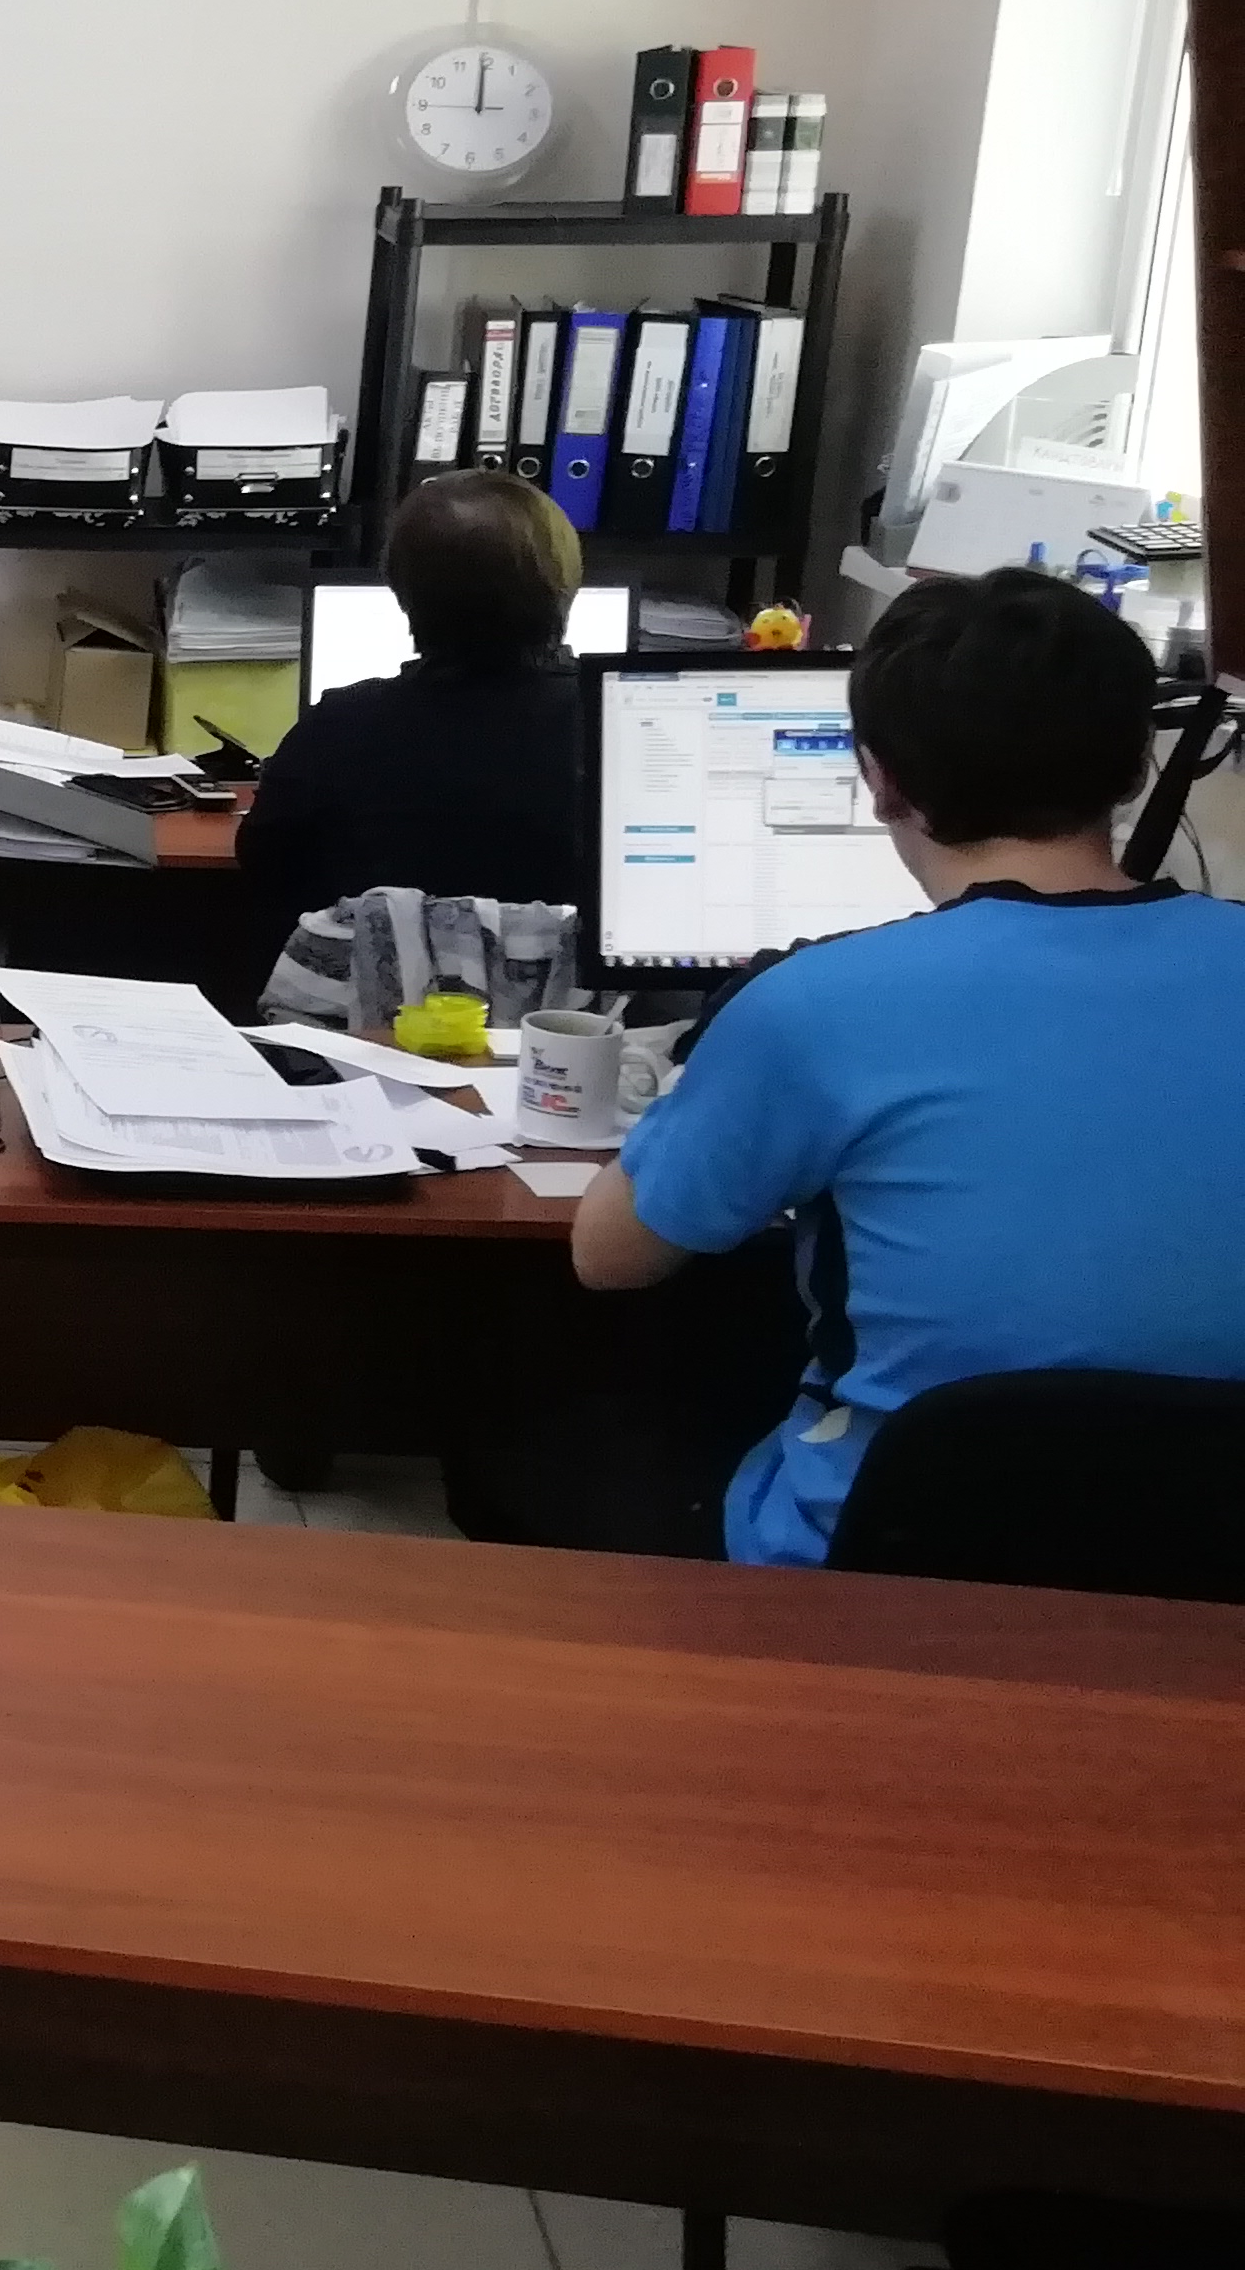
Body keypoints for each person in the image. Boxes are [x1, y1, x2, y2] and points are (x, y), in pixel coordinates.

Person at [556, 568, 1245, 1564]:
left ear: (879, 779)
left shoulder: (808, 1005)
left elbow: (610, 1258)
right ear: (1135, 766)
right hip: (1210, 1579)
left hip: (881, 1571)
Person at [237, 469, 590, 929]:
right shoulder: (618, 730)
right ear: (565, 582)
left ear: (401, 591)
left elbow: (264, 863)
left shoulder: (339, 727)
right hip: (568, 979)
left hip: (380, 977)